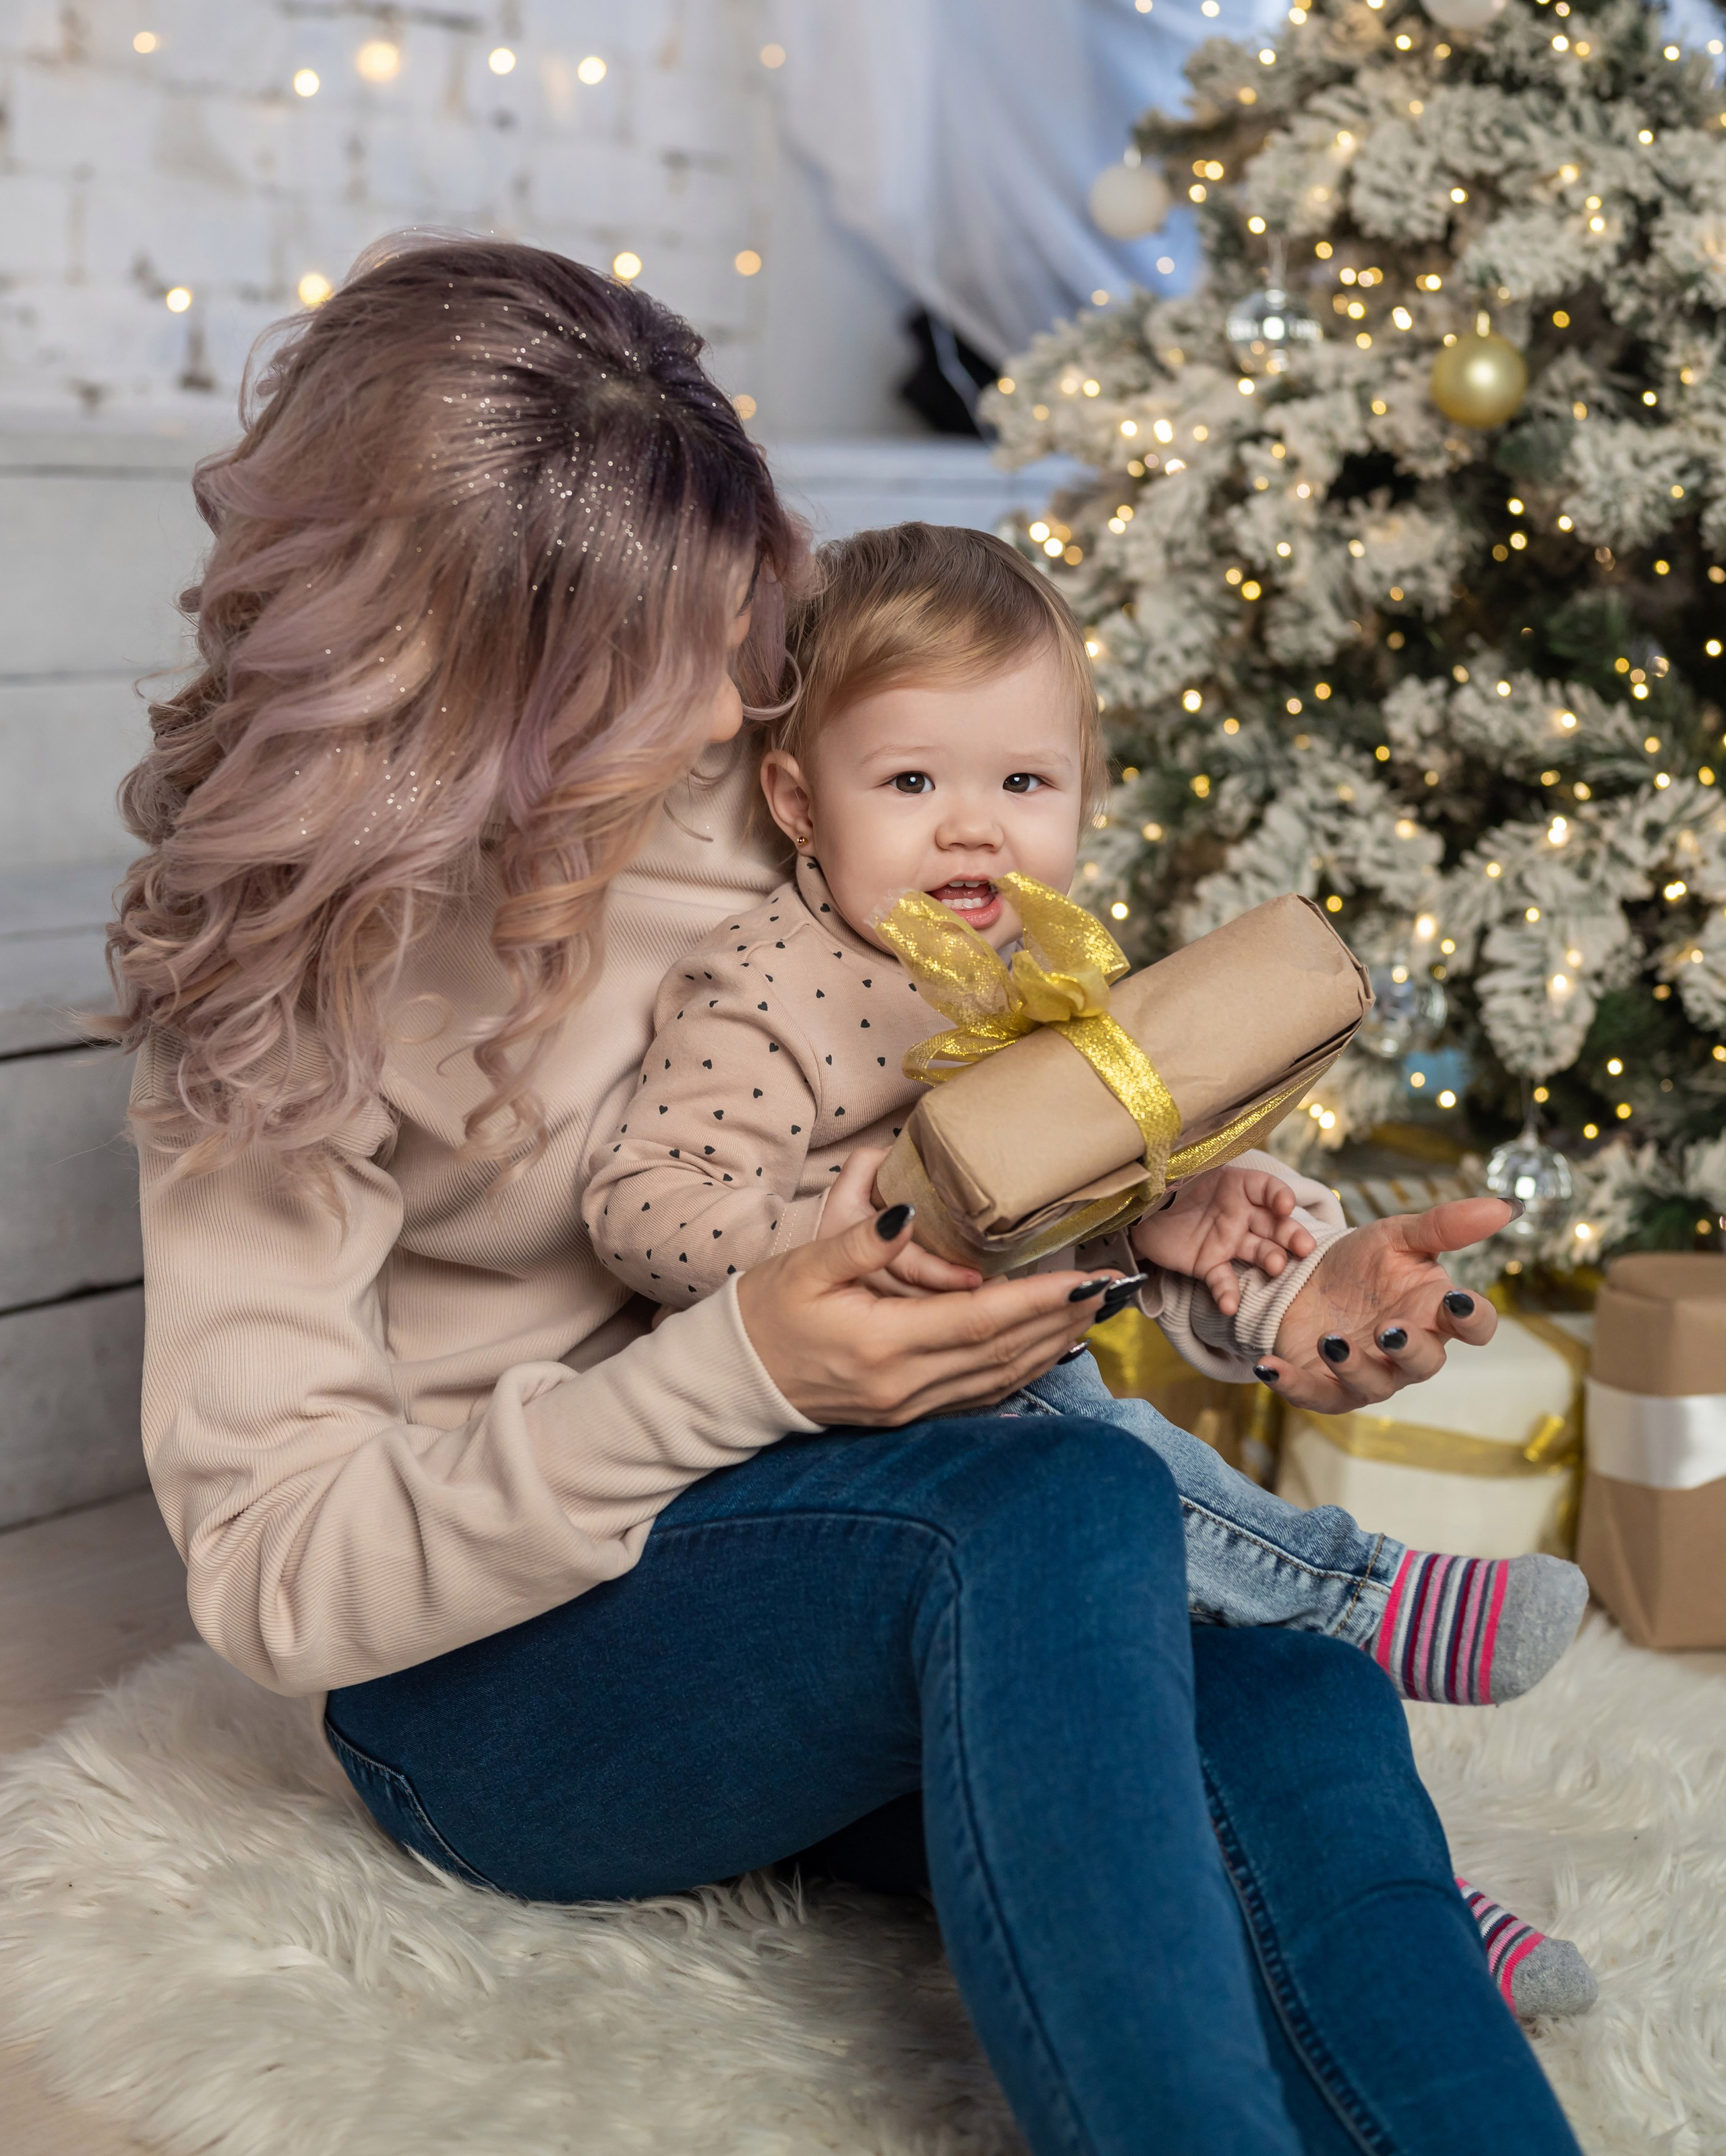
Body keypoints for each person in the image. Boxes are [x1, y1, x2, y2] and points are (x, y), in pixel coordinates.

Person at [111, 237, 1582, 2156]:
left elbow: (981, 1130)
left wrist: (1254, 1276)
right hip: (496, 1693)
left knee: (1292, 1698)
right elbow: (281, 1572)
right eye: (649, 684)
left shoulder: (787, 759)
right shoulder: (279, 976)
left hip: (836, 1542)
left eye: (740, 648)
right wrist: (741, 1374)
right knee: (1053, 1504)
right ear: (464, 687)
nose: (728, 720)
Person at [584, 519, 1593, 2017]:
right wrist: (836, 1231)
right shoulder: (771, 981)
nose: (971, 828)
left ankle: (1414, 1903)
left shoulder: (1038, 972)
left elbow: (1043, 1198)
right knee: (1090, 1466)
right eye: (911, 781)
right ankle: (1344, 1595)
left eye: (1022, 783)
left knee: (1201, 1679)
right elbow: (643, 1207)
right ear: (799, 800)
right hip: (809, 1440)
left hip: (990, 1380)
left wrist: (1159, 1224)